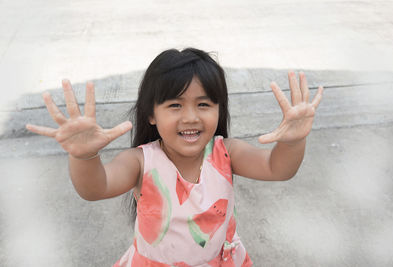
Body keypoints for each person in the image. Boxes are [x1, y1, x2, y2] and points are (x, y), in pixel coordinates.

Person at [26, 48, 323, 266]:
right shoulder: (140, 162)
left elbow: (277, 168)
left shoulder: (226, 152)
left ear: (220, 110)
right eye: (175, 106)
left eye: (203, 104)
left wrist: (294, 141)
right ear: (151, 114)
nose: (191, 117)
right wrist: (85, 155)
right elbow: (95, 188)